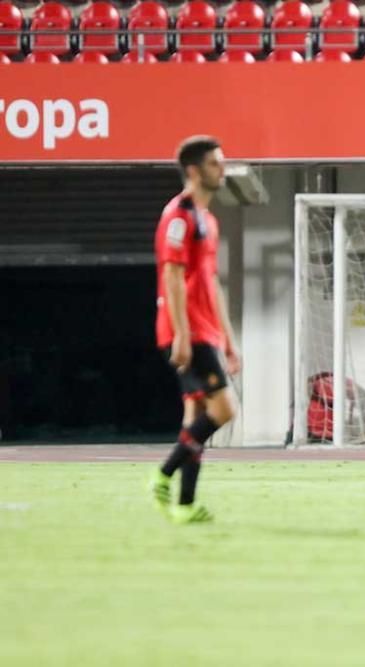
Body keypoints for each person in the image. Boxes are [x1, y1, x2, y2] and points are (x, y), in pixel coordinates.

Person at [149, 136, 241, 524]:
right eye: (214, 163)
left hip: (206, 331)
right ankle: (163, 474)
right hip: (187, 331)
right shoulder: (179, 215)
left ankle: (185, 504)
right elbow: (171, 275)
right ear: (193, 170)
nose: (222, 169)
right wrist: (182, 335)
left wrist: (230, 339)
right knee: (225, 409)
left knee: (197, 416)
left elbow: (212, 282)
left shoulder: (209, 220)